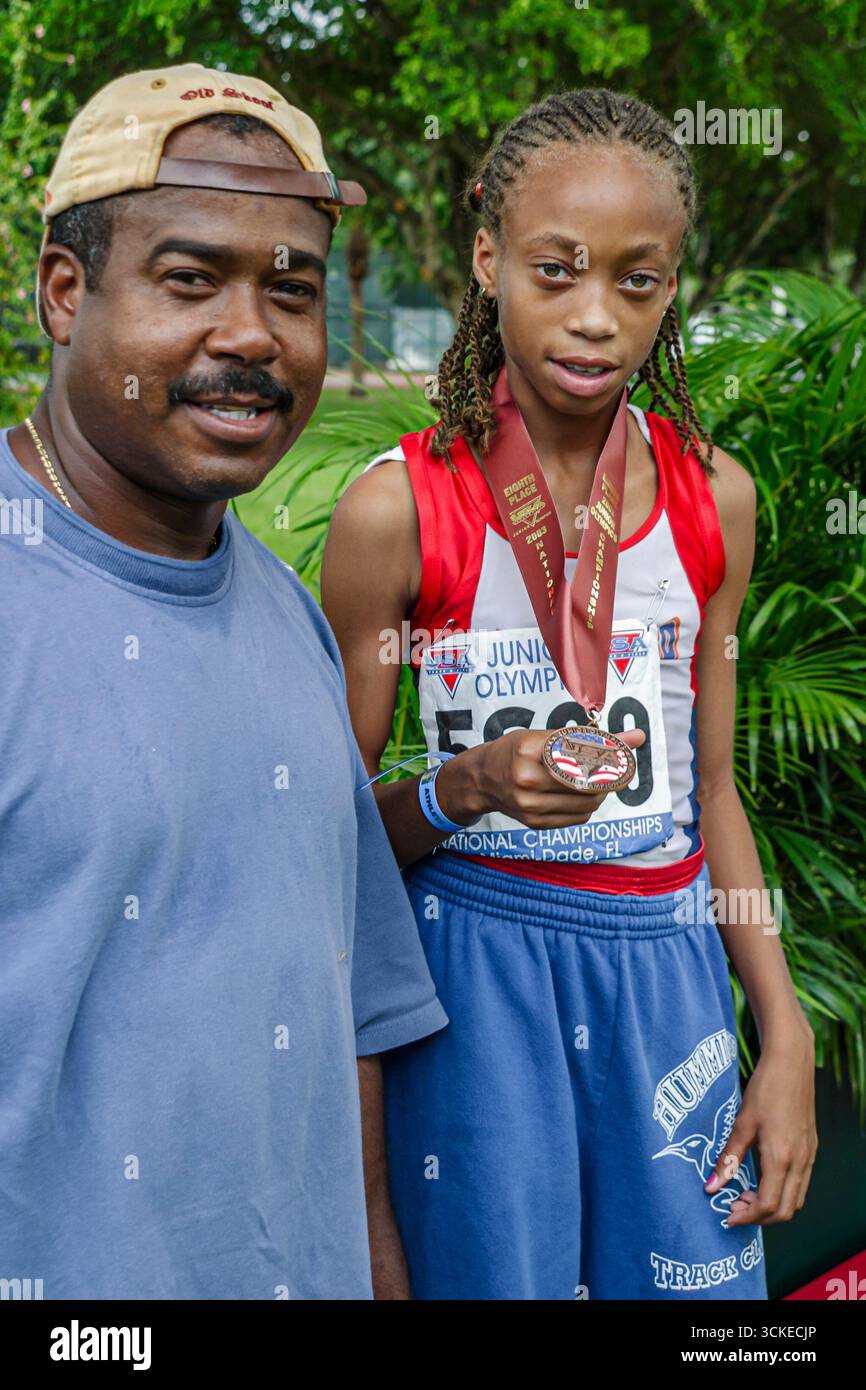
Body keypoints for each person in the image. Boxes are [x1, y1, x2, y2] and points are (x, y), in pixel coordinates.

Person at [321, 89, 817, 1300]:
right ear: (487, 257)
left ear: (669, 289)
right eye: (556, 269)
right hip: (476, 981)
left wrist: (785, 1029)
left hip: (665, 972)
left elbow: (708, 788)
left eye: (637, 281)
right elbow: (326, 842)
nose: (595, 317)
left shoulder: (715, 500)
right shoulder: (397, 511)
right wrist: (463, 786)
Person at [0, 63, 447, 1301]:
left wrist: (372, 1266)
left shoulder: (289, 614)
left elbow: (344, 993)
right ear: (65, 291)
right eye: (190, 279)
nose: (251, 335)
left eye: (290, 291)